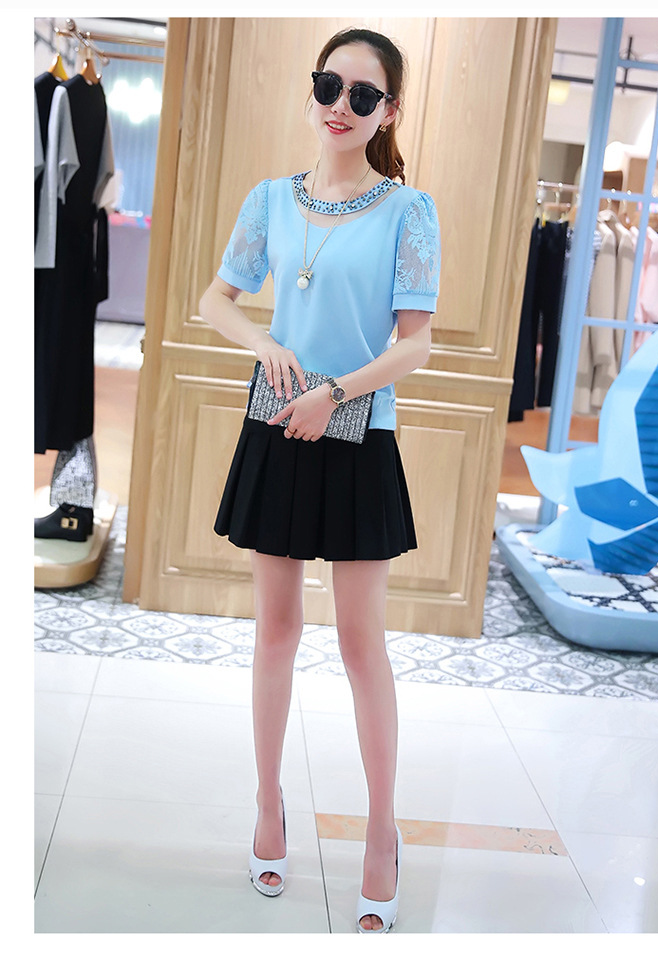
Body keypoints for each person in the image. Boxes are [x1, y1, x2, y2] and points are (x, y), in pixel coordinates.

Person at [198, 26, 440, 933]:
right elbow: (214, 300)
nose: (340, 106)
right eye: (329, 86)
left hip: (357, 432)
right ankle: (269, 804)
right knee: (275, 630)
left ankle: (381, 832)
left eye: (363, 95)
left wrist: (336, 389)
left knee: (360, 643)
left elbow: (416, 343)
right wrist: (265, 344)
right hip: (277, 424)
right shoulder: (271, 200)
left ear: (389, 111)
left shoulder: (409, 211)